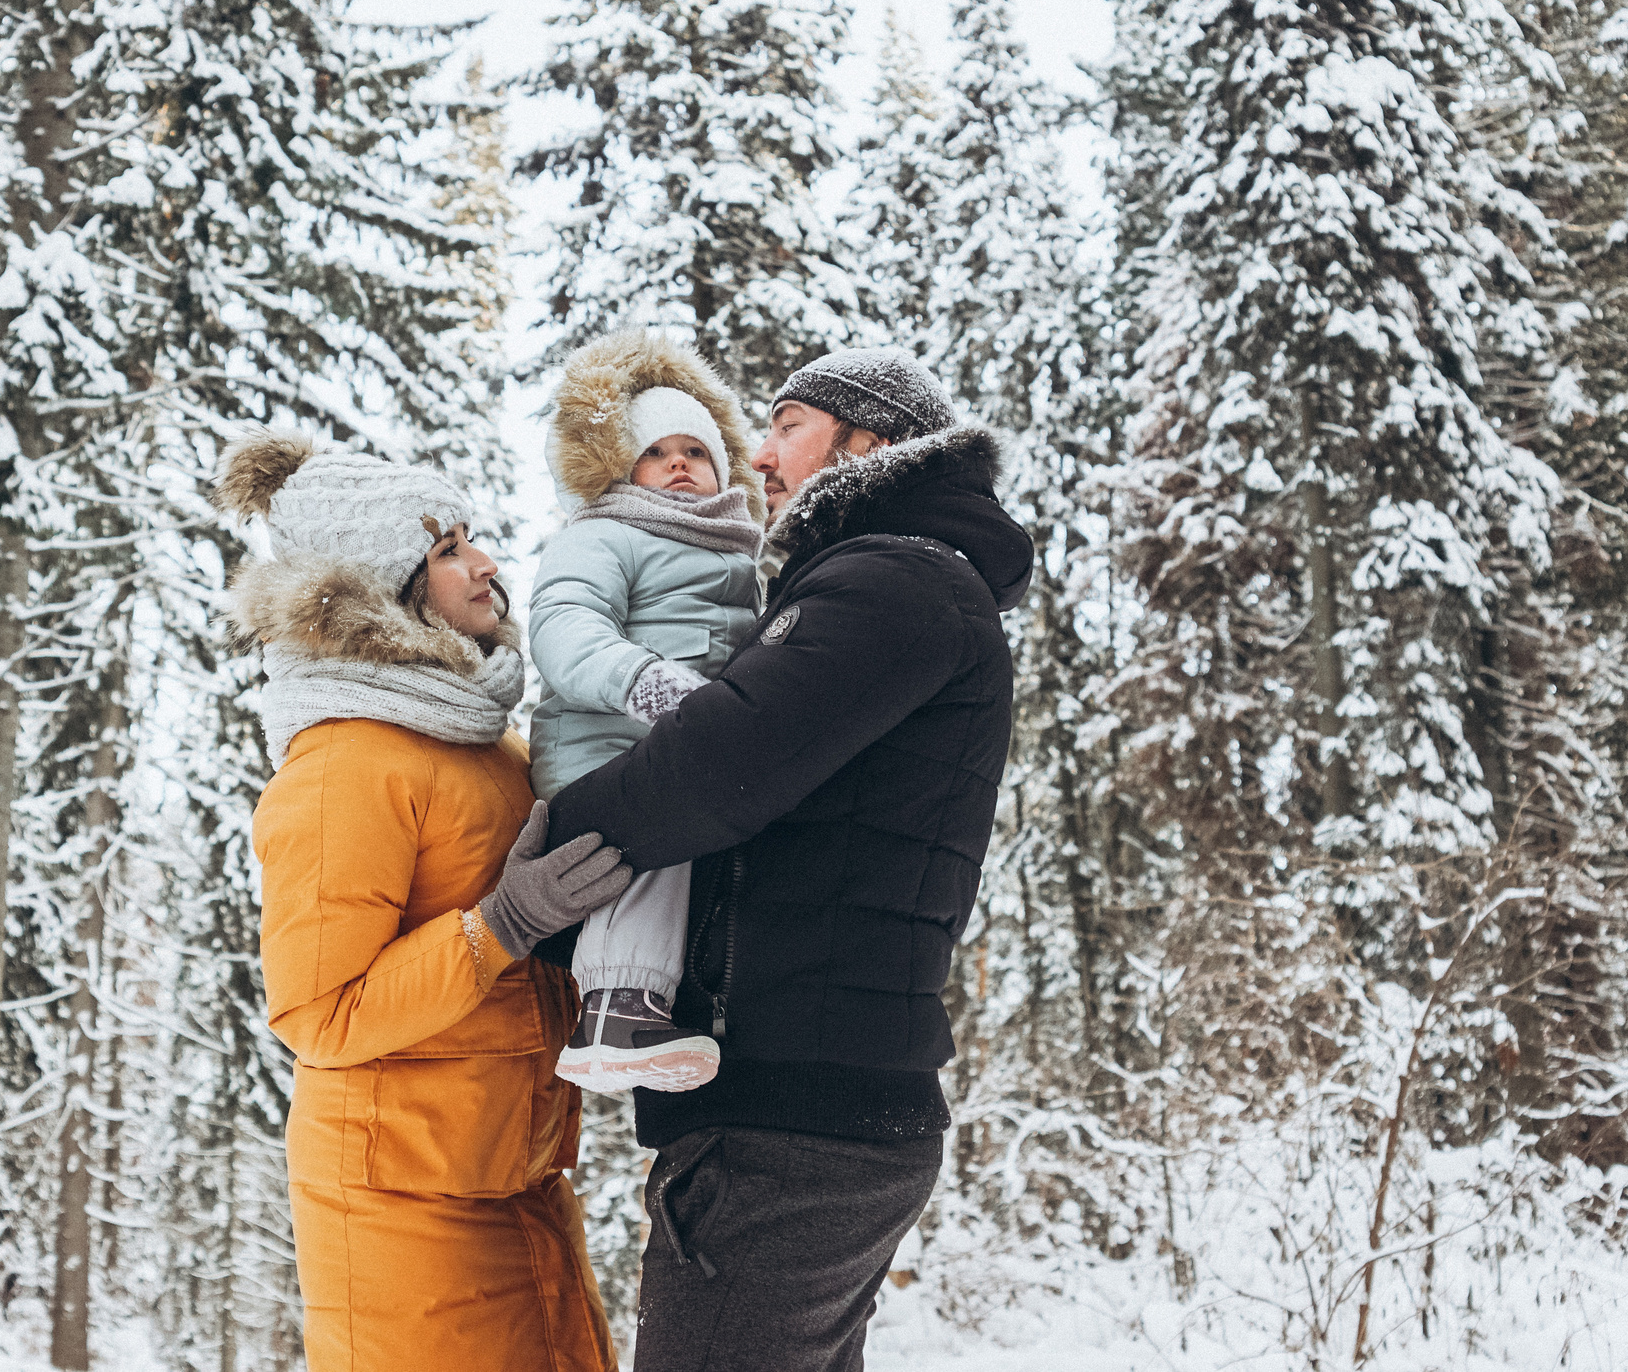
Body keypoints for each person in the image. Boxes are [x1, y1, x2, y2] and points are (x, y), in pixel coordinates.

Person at [545, 349, 1035, 1372]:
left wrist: (539, 857)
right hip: (809, 1107)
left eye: (789, 426)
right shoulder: (893, 585)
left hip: (791, 1120)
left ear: (873, 443)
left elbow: (713, 768)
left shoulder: (893, 584)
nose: (759, 456)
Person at [220, 429, 632, 1372]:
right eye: (448, 548)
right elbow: (320, 1011)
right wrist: (500, 926)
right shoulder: (344, 761)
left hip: (516, 1176)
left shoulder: (484, 740)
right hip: (399, 1212)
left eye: (471, 538)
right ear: (384, 589)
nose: (485, 564)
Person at [525, 330, 767, 1092]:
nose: (678, 464)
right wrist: (643, 681)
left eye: (695, 451)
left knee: (695, 828)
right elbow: (564, 624)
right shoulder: (607, 532)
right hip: (602, 740)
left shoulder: (739, 555)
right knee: (667, 817)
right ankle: (615, 1009)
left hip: (684, 744)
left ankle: (656, 1005)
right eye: (656, 452)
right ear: (624, 467)